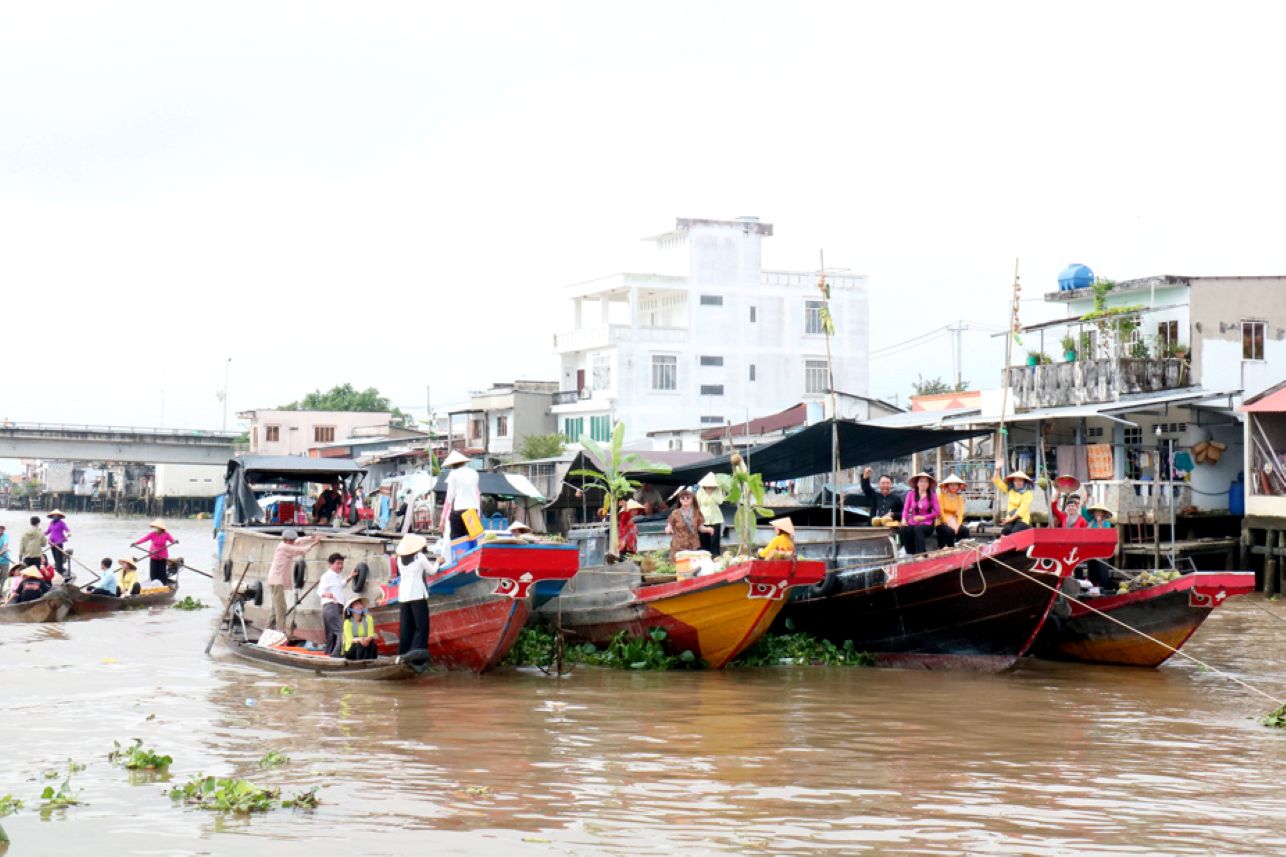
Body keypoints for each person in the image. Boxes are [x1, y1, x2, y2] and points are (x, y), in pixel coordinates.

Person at [265, 529, 319, 630]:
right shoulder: (284, 547)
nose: (293, 542)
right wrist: (314, 543)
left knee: (275, 608)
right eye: (291, 541)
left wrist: (310, 538)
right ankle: (280, 630)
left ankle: (268, 629)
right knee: (281, 607)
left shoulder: (286, 545)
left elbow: (298, 541)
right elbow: (301, 550)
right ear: (286, 540)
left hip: (275, 580)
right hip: (277, 581)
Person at [394, 533, 431, 655]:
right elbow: (432, 570)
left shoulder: (399, 560)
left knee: (406, 627)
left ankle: (404, 652)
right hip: (417, 594)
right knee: (421, 626)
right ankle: (417, 651)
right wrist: (438, 562)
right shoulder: (420, 557)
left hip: (404, 595)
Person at [440, 451, 481, 540]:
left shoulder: (453, 474)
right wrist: (478, 513)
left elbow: (449, 497)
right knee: (472, 539)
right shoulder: (474, 473)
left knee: (457, 540)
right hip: (472, 511)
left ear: (453, 465)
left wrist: (443, 518)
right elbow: (477, 494)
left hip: (459, 511)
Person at [318, 552, 352, 657]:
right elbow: (319, 590)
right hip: (331, 606)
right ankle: (337, 655)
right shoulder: (327, 576)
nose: (340, 566)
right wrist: (326, 594)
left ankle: (328, 653)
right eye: (338, 563)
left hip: (334, 607)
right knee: (342, 630)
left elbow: (340, 585)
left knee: (331, 633)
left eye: (342, 563)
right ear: (330, 564)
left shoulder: (336, 577)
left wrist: (350, 577)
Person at [900, 472, 941, 555]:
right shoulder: (910, 494)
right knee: (904, 529)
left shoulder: (932, 495)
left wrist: (924, 517)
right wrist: (903, 519)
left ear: (928, 484)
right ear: (917, 483)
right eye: (921, 481)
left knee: (918, 529)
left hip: (927, 523)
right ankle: (910, 553)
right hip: (913, 522)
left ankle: (922, 554)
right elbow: (906, 509)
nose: (923, 483)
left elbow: (937, 512)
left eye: (926, 481)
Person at [665, 489, 710, 560]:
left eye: (688, 498)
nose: (685, 499)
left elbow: (700, 527)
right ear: (680, 500)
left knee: (691, 563)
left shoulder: (697, 513)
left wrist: (707, 529)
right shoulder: (675, 513)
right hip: (678, 545)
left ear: (692, 499)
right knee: (678, 564)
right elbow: (669, 525)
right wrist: (668, 529)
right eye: (683, 498)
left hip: (692, 545)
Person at [132, 520, 177, 585]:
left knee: (162, 572)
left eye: (157, 527)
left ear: (161, 528)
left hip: (162, 557)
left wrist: (175, 541)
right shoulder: (152, 534)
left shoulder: (166, 534)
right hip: (153, 556)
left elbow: (172, 541)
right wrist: (136, 543)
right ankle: (153, 585)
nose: (155, 529)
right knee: (153, 573)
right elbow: (144, 539)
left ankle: (163, 584)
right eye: (155, 527)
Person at [992, 466, 1034, 535]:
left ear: (1024, 482)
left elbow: (1022, 510)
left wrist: (1009, 520)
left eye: (1020, 480)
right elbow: (997, 481)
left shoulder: (1028, 493)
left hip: (1022, 519)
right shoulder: (1011, 490)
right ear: (1013, 482)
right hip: (1010, 518)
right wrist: (997, 469)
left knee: (1014, 532)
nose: (1018, 483)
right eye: (1015, 481)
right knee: (1005, 531)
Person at [340, 594, 379, 661]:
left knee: (372, 644)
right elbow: (350, 639)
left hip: (365, 643)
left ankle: (372, 662)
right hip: (351, 650)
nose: (359, 606)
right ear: (350, 609)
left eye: (360, 604)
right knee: (359, 645)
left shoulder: (369, 619)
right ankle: (359, 664)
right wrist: (361, 640)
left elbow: (370, 634)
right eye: (356, 604)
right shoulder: (347, 622)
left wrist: (367, 640)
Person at [936, 474, 969, 548]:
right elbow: (940, 512)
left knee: (965, 530)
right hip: (942, 522)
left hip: (955, 522)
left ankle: (963, 549)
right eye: (951, 485)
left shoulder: (960, 498)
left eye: (955, 485)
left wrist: (958, 525)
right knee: (950, 531)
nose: (953, 487)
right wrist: (947, 522)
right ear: (947, 486)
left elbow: (960, 513)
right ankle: (950, 549)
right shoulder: (941, 497)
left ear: (958, 486)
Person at [695, 473, 725, 555]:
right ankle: (704, 557)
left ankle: (715, 557)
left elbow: (720, 501)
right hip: (703, 518)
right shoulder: (700, 491)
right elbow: (697, 504)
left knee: (714, 541)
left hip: (715, 518)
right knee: (703, 540)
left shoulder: (718, 490)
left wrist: (711, 494)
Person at [45, 509, 71, 580]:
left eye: (56, 515)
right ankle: (57, 569)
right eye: (54, 515)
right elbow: (48, 531)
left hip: (59, 542)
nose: (55, 516)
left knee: (59, 557)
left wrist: (69, 533)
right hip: (52, 542)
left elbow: (67, 529)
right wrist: (42, 533)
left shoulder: (61, 523)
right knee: (54, 557)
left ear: (59, 516)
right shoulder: (51, 523)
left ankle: (59, 572)